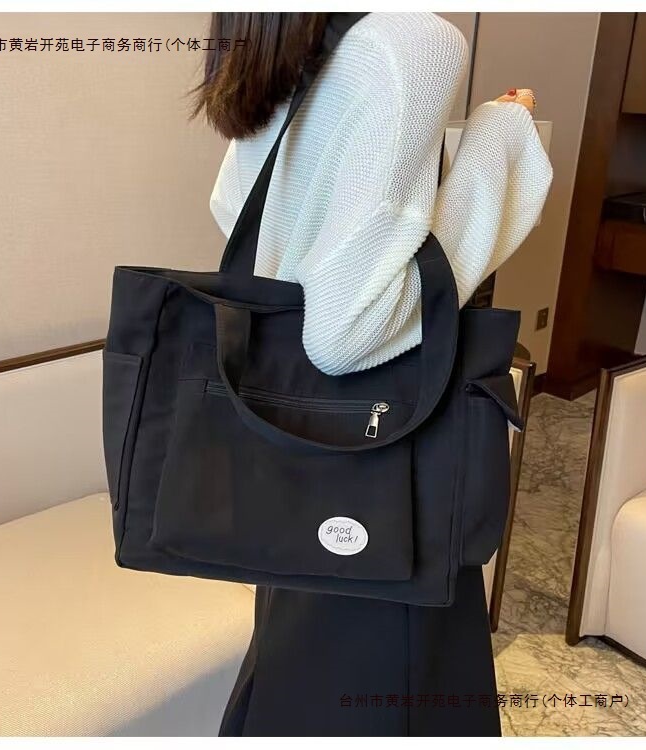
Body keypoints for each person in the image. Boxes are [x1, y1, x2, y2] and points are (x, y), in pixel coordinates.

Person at [190, 11, 553, 737]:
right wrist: (498, 142)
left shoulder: (276, 38)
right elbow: (346, 331)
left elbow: (235, 209)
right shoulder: (412, 42)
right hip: (387, 476)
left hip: (291, 455)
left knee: (298, 683)